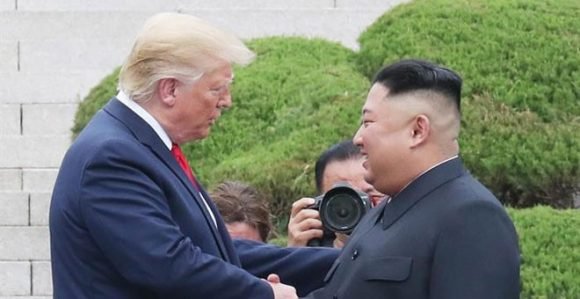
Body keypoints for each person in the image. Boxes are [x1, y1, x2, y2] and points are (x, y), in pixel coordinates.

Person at [49, 12, 337, 299]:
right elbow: (169, 266)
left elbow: (214, 248)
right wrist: (266, 294)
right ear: (170, 89)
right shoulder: (111, 157)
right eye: (217, 89)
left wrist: (344, 263)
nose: (227, 101)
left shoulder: (141, 145)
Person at [304, 59, 520, 298]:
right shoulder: (386, 208)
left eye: (368, 122)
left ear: (417, 131)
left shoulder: (471, 216)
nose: (357, 138)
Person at [287, 140, 385, 248]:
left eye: (367, 198)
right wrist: (295, 253)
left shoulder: (402, 242)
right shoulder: (315, 248)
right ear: (320, 206)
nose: (353, 208)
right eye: (340, 199)